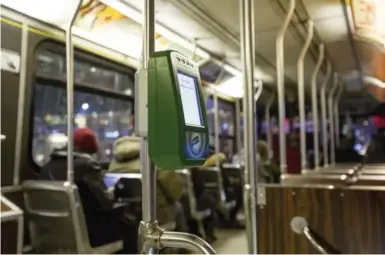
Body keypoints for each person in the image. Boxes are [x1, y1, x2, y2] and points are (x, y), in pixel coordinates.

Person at [38, 128, 138, 253]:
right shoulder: (87, 166)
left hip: (52, 233)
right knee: (130, 227)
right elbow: (106, 204)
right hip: (86, 232)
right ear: (92, 146)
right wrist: (123, 205)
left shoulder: (47, 167)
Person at [108, 136, 188, 232]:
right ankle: (183, 245)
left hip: (126, 216)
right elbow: (175, 193)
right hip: (154, 215)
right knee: (178, 206)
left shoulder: (114, 164)